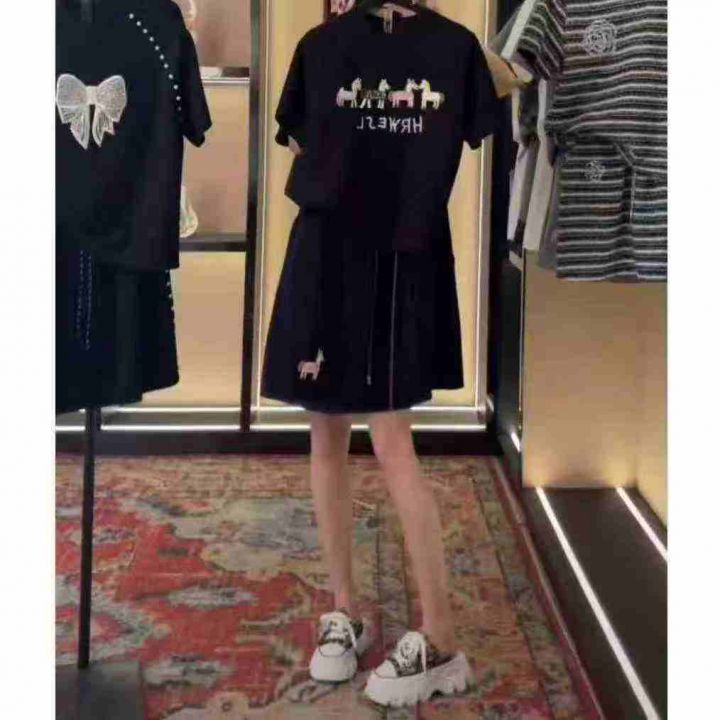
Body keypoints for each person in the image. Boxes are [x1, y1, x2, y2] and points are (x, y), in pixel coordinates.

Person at [261, 4, 503, 706]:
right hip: (328, 253)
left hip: (402, 259)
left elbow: (473, 126)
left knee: (393, 438)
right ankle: (344, 610)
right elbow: (303, 144)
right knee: (325, 431)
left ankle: (442, 635)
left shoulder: (454, 49)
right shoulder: (320, 47)